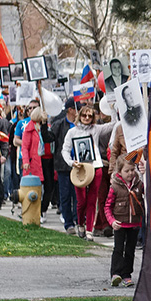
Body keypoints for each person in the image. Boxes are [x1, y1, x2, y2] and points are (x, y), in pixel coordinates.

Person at [61, 103, 106, 239]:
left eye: (89, 116)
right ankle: (80, 223)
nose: (86, 118)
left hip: (95, 167)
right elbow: (65, 150)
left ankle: (89, 230)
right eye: (84, 115)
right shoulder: (72, 132)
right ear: (79, 116)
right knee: (81, 201)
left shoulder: (96, 129)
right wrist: (71, 162)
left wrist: (115, 109)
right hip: (79, 168)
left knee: (92, 200)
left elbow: (112, 126)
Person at [105, 149, 145, 288]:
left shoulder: (139, 184)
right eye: (127, 171)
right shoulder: (115, 186)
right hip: (120, 224)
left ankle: (127, 275)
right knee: (118, 249)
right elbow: (107, 206)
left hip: (134, 224)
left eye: (132, 170)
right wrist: (112, 221)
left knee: (130, 250)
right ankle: (116, 273)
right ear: (120, 172)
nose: (130, 173)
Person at [50, 98, 78, 233]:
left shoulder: (81, 124)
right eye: (76, 108)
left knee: (78, 196)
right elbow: (49, 137)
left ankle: (78, 219)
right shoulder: (59, 125)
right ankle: (68, 223)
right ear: (70, 110)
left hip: (79, 166)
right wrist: (44, 124)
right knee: (65, 195)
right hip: (63, 166)